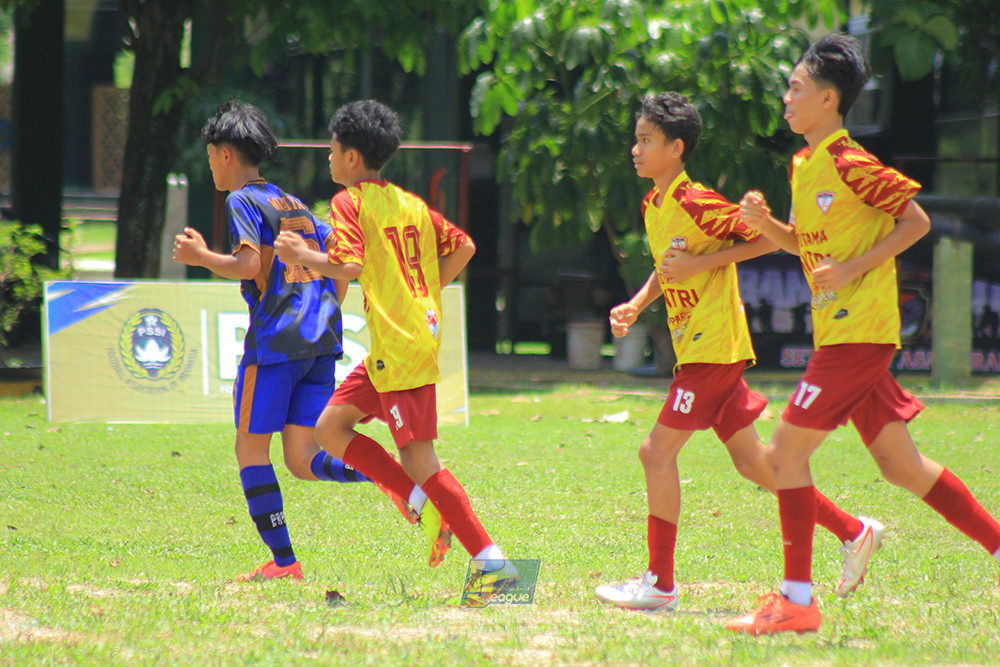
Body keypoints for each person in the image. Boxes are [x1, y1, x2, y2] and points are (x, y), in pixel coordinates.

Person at [727, 34, 1000, 635]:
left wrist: (852, 269)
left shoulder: (851, 161)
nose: (786, 99)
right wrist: (764, 224)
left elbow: (917, 220)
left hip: (860, 334)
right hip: (841, 335)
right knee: (903, 467)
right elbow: (805, 245)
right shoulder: (804, 164)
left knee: (783, 454)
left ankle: (797, 600)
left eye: (795, 89)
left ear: (828, 100)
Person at [594, 92, 878, 612]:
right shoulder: (653, 203)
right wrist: (636, 304)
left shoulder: (697, 201)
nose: (635, 150)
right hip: (702, 350)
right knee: (758, 466)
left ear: (676, 148)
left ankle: (659, 585)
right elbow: (669, 266)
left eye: (645, 141)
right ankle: (854, 531)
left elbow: (769, 242)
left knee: (655, 453)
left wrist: (705, 266)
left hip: (713, 350)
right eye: (636, 140)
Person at [273, 99, 517, 604]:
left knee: (419, 457)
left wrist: (302, 255)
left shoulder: (350, 202)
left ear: (354, 159)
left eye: (334, 150)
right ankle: (418, 501)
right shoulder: (409, 203)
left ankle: (495, 566)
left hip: (399, 348)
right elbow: (465, 246)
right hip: (401, 342)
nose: (329, 158)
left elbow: (349, 264)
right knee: (329, 428)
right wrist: (424, 292)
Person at [172, 100, 413, 582]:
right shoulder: (292, 202)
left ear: (223, 155)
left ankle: (285, 564)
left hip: (276, 346)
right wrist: (324, 308)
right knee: (303, 460)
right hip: (320, 343)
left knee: (251, 451)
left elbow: (248, 266)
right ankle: (395, 482)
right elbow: (341, 262)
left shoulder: (241, 200)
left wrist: (201, 257)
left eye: (210, 156)